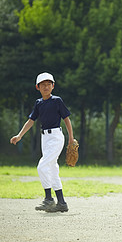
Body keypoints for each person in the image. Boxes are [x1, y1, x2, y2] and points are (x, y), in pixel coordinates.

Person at [10, 72, 74, 213]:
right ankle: (61, 203)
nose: (46, 87)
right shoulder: (38, 103)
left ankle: (48, 199)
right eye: (43, 85)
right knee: (51, 169)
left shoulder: (57, 101)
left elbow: (66, 119)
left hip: (56, 137)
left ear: (53, 86)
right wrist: (20, 135)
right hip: (45, 138)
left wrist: (71, 138)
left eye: (48, 84)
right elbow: (31, 121)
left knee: (42, 166)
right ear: (37, 87)